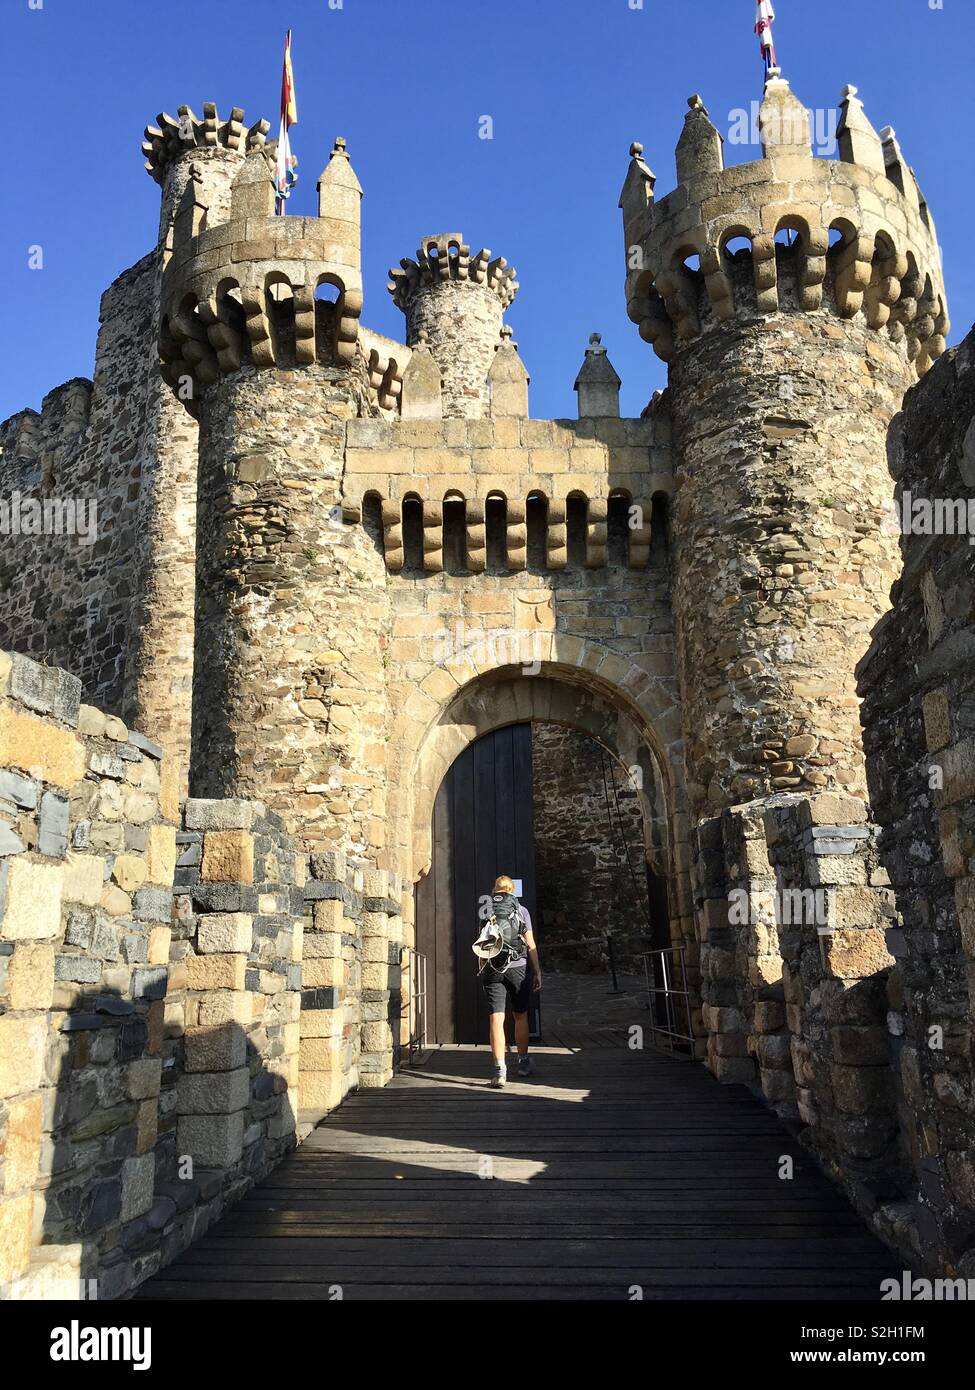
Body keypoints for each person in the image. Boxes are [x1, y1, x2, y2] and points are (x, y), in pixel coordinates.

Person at [477, 875, 542, 1088]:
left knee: (496, 1019)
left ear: (495, 890)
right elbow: (530, 944)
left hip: (492, 967)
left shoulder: (486, 909)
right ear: (512, 891)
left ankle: (499, 1071)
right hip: (517, 967)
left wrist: (482, 967)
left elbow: (482, 942)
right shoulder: (521, 911)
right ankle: (523, 1063)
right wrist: (537, 971)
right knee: (520, 1016)